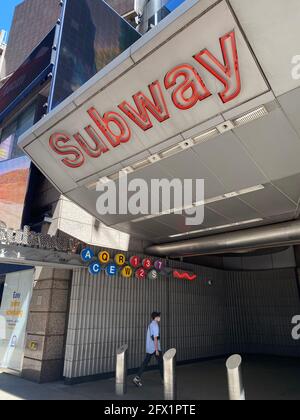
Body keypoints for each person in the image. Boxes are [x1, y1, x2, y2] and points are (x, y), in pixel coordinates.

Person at [133, 311, 163, 387]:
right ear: (156, 317)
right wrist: (156, 350)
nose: (160, 317)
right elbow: (155, 338)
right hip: (155, 348)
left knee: (145, 362)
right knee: (161, 364)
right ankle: (165, 379)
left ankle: (137, 377)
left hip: (150, 348)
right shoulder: (155, 325)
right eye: (159, 316)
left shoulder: (150, 325)